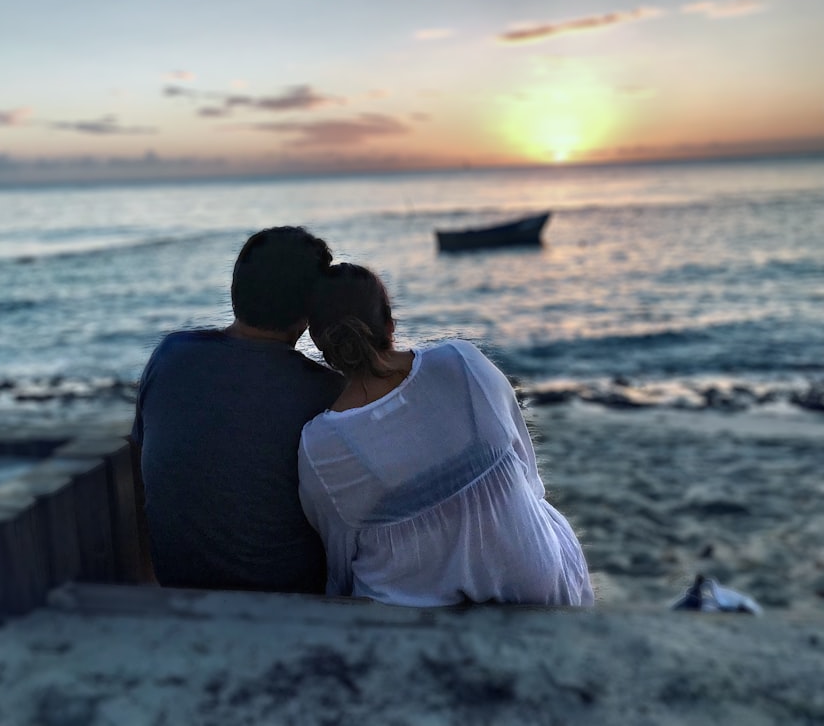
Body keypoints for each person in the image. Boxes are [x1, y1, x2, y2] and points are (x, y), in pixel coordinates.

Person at [297, 263, 594, 607]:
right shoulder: (462, 362)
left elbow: (340, 561)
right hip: (541, 592)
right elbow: (528, 476)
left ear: (318, 341)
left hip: (413, 626)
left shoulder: (320, 444)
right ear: (390, 323)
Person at [131, 226, 345, 593]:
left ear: (235, 292)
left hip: (179, 586)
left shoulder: (170, 357)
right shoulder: (328, 391)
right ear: (310, 311)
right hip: (293, 598)